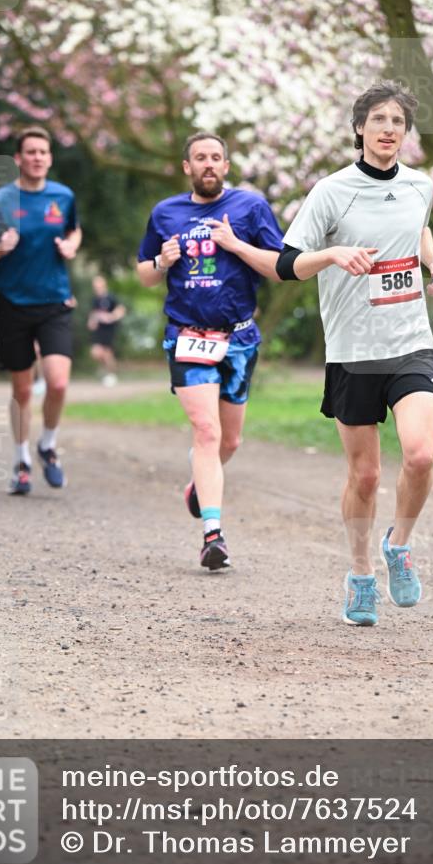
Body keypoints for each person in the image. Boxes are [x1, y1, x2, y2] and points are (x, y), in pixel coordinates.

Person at [276, 80, 433, 626]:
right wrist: (332, 254)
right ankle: (359, 574)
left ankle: (398, 546)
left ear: (405, 132)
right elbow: (288, 264)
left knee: (420, 456)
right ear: (359, 128)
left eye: (397, 122)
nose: (388, 130)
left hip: (410, 344)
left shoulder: (420, 184)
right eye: (378, 120)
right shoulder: (332, 191)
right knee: (367, 476)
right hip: (354, 350)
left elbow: (417, 227)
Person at [137, 131, 283, 570]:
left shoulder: (250, 208)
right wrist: (162, 262)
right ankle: (212, 536)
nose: (208, 164)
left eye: (216, 157)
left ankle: (199, 484)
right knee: (207, 432)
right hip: (187, 335)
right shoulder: (166, 213)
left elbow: (279, 269)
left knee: (230, 439)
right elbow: (144, 273)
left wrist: (235, 244)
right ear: (187, 167)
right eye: (200, 157)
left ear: (226, 165)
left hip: (238, 336)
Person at [0, 125, 82, 495]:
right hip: (13, 304)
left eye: (43, 152)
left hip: (54, 302)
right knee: (21, 390)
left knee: (58, 381)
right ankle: (21, 460)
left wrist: (70, 245)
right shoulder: (0, 200)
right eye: (30, 152)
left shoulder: (63, 196)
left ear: (50, 158)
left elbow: (74, 231)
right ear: (18, 159)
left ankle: (47, 445)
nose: (37, 157)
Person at [87, 274, 126, 387]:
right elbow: (94, 313)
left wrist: (111, 317)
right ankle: (104, 369)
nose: (96, 286)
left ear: (104, 284)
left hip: (109, 329)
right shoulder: (95, 299)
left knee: (107, 353)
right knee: (95, 353)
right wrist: (91, 321)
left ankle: (111, 375)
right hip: (99, 330)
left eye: (98, 283)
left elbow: (121, 309)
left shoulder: (111, 297)